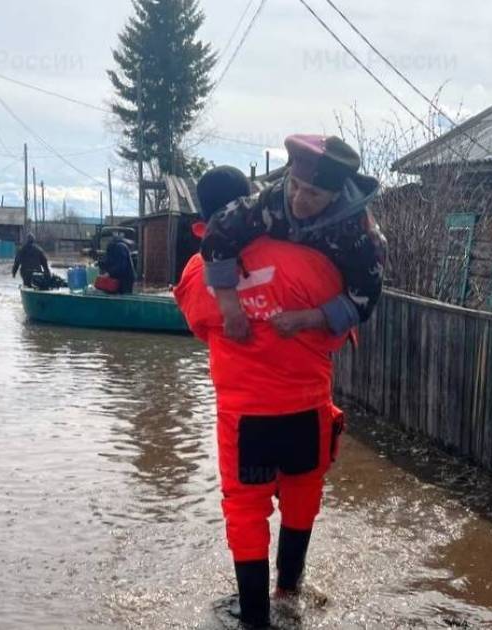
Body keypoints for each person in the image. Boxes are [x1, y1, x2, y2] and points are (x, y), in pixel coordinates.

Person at [174, 166, 349, 629]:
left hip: (245, 417)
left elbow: (199, 326)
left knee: (246, 511)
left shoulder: (197, 272)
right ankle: (289, 592)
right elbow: (339, 328)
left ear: (203, 225)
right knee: (302, 497)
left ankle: (255, 619)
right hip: (307, 409)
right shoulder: (309, 260)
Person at [201, 134, 386, 342]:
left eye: (313, 194)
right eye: (295, 185)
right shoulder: (271, 199)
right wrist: (230, 308)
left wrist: (308, 319)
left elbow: (363, 302)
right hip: (263, 307)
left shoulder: (361, 235)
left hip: (317, 328)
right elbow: (217, 230)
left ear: (335, 194)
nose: (298, 201)